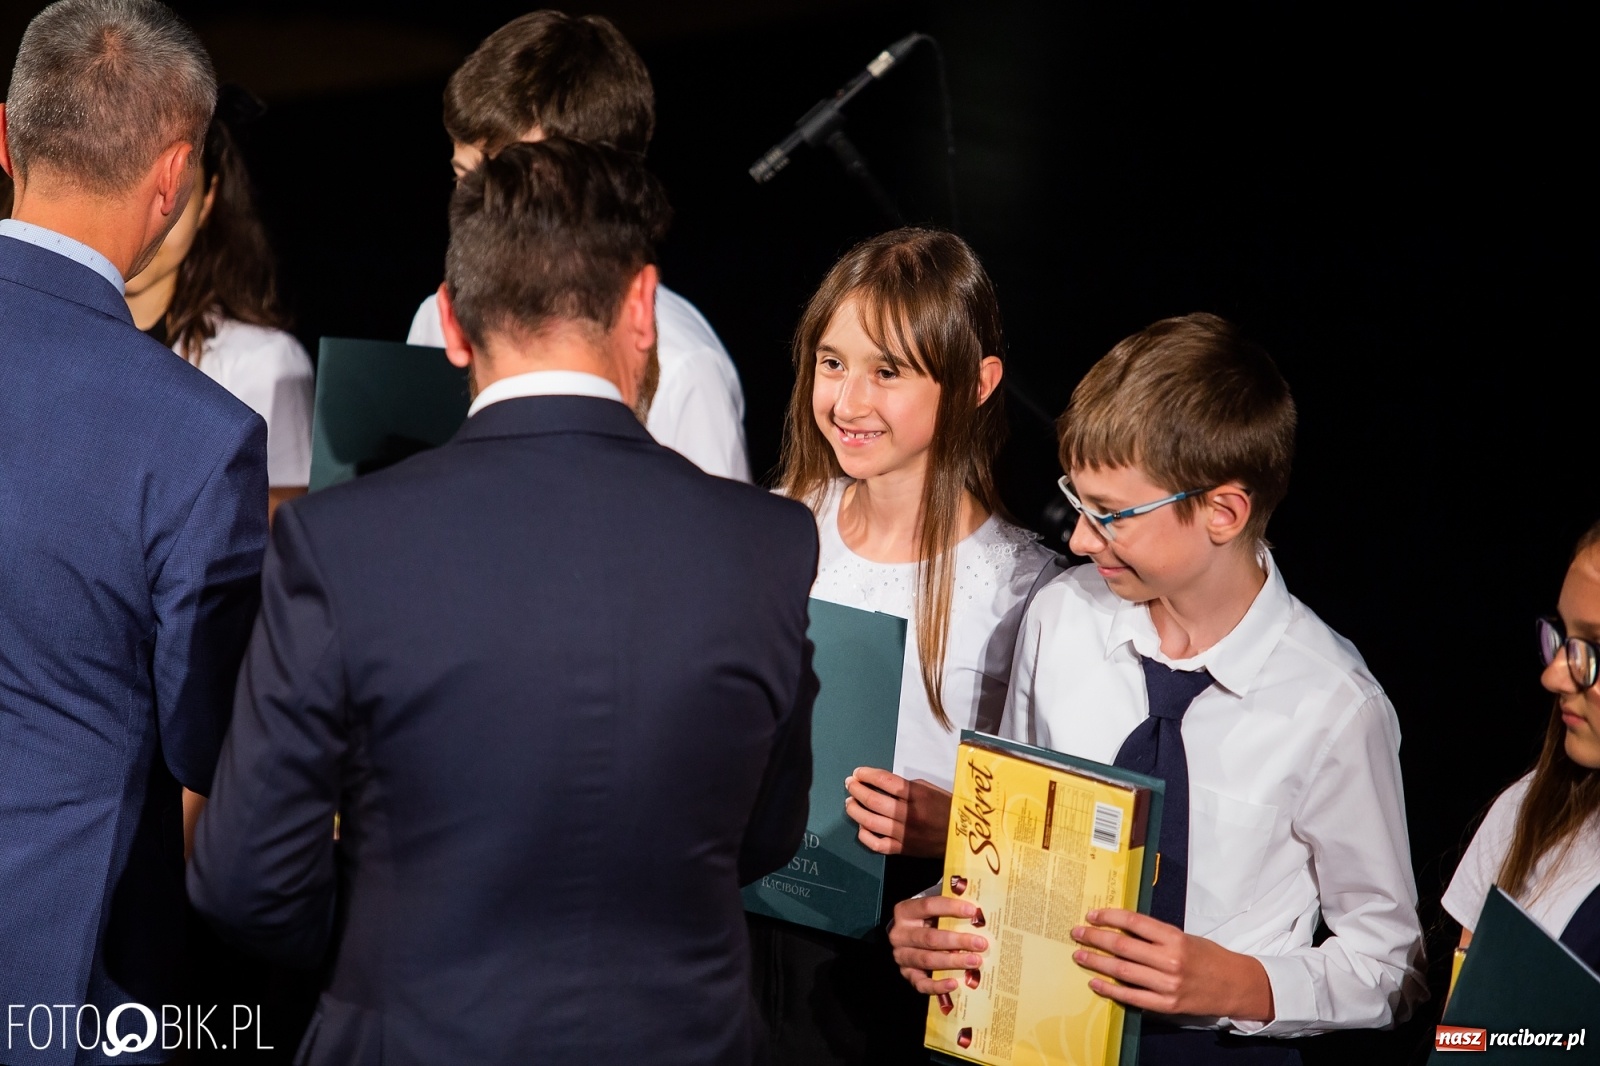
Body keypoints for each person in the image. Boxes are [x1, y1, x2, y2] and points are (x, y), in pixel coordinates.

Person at [188, 138, 818, 1066]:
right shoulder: (767, 544)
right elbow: (766, 833)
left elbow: (242, 879)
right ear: (641, 306)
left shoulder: (341, 543)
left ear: (450, 322)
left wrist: (385, 950)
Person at [888, 314, 1427, 1063]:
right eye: (1077, 503)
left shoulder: (1335, 705)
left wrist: (1238, 982)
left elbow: (1389, 964)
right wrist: (932, 916)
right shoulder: (1060, 619)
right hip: (1035, 1028)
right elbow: (1003, 846)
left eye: (1110, 516)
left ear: (1223, 512)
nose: (1078, 539)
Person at [0, 0, 266, 1057]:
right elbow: (212, 742)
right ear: (173, 178)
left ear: (5, 140)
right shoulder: (196, 438)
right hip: (64, 977)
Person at [751, 227, 1059, 1065]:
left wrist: (949, 823)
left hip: (907, 952)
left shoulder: (1022, 591)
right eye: (833, 362)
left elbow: (1055, 826)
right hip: (754, 924)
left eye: (888, 371)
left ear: (977, 383)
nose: (849, 402)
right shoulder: (781, 524)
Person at [405, 10, 750, 481]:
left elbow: (711, 540)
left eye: (512, 183)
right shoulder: (437, 319)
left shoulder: (684, 368)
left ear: (599, 180)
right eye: (465, 179)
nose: (479, 209)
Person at [124, 86, 313, 521]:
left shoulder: (265, 361)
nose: (153, 214)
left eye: (175, 187)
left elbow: (289, 524)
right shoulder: (37, 336)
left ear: (207, 200)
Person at [1443, 519, 1600, 970]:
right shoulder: (1532, 810)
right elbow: (1465, 1036)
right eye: (1563, 639)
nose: (1552, 675)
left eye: (1592, 650)